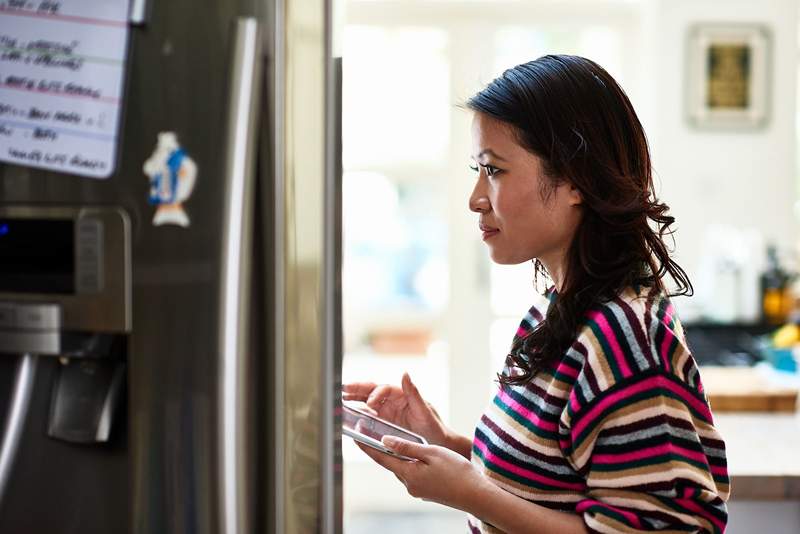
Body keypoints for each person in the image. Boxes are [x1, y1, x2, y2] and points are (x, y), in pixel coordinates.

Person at [343, 54, 729, 534]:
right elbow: (549, 484)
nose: (475, 198)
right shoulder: (556, 312)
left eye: (494, 170)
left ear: (574, 179)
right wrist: (442, 445)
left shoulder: (625, 339)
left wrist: (468, 491)